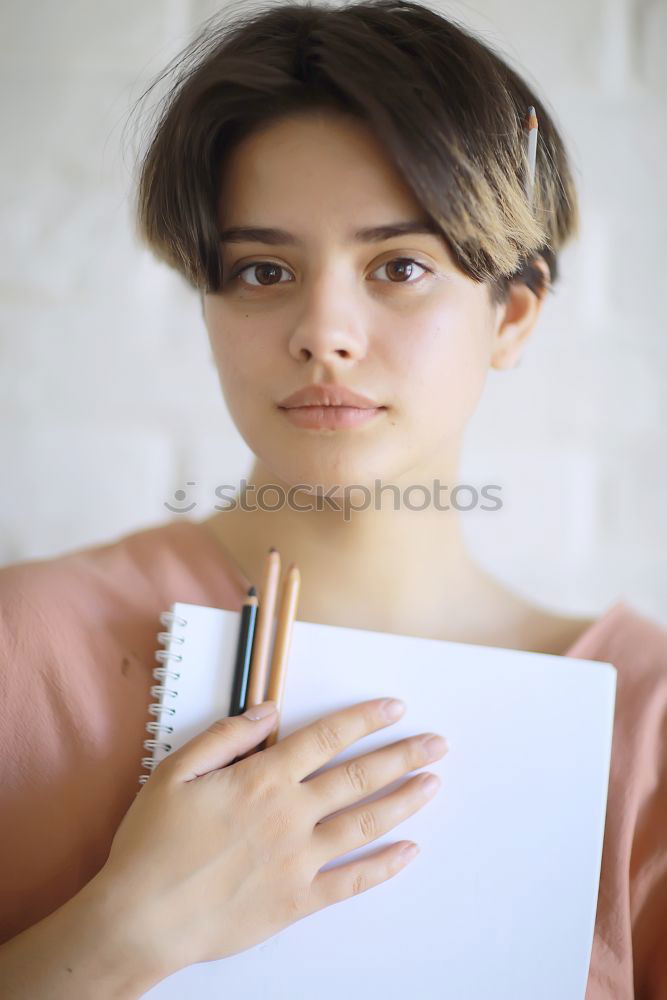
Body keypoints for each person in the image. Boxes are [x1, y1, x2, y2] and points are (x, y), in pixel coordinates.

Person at [1, 1, 665, 997]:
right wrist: (125, 931)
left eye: (398, 266)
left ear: (511, 315)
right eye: (263, 270)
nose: (323, 331)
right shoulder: (28, 646)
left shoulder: (644, 720)